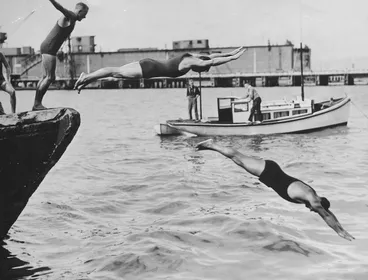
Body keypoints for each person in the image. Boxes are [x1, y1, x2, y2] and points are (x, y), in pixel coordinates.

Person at [196, 139, 355, 241]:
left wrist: (341, 226)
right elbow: (326, 215)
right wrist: (339, 232)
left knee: (238, 160)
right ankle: (212, 144)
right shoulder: (312, 199)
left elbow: (328, 212)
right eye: (314, 209)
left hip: (271, 171)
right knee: (237, 157)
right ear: (319, 203)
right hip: (269, 172)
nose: (310, 209)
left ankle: (212, 146)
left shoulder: (314, 198)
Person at [73, 46, 247, 93]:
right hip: (148, 70)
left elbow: (211, 56)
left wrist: (231, 52)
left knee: (115, 75)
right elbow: (212, 62)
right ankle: (86, 77)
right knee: (113, 71)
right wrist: (232, 58)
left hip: (148, 63)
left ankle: (85, 81)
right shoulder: (192, 64)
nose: (200, 70)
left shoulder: (190, 56)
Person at [33, 0, 89, 111]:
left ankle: (36, 104)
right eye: (84, 14)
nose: (84, 17)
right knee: (50, 77)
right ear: (80, 10)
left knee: (45, 77)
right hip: (49, 48)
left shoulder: (73, 19)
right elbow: (60, 8)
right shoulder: (71, 15)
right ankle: (37, 104)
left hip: (47, 47)